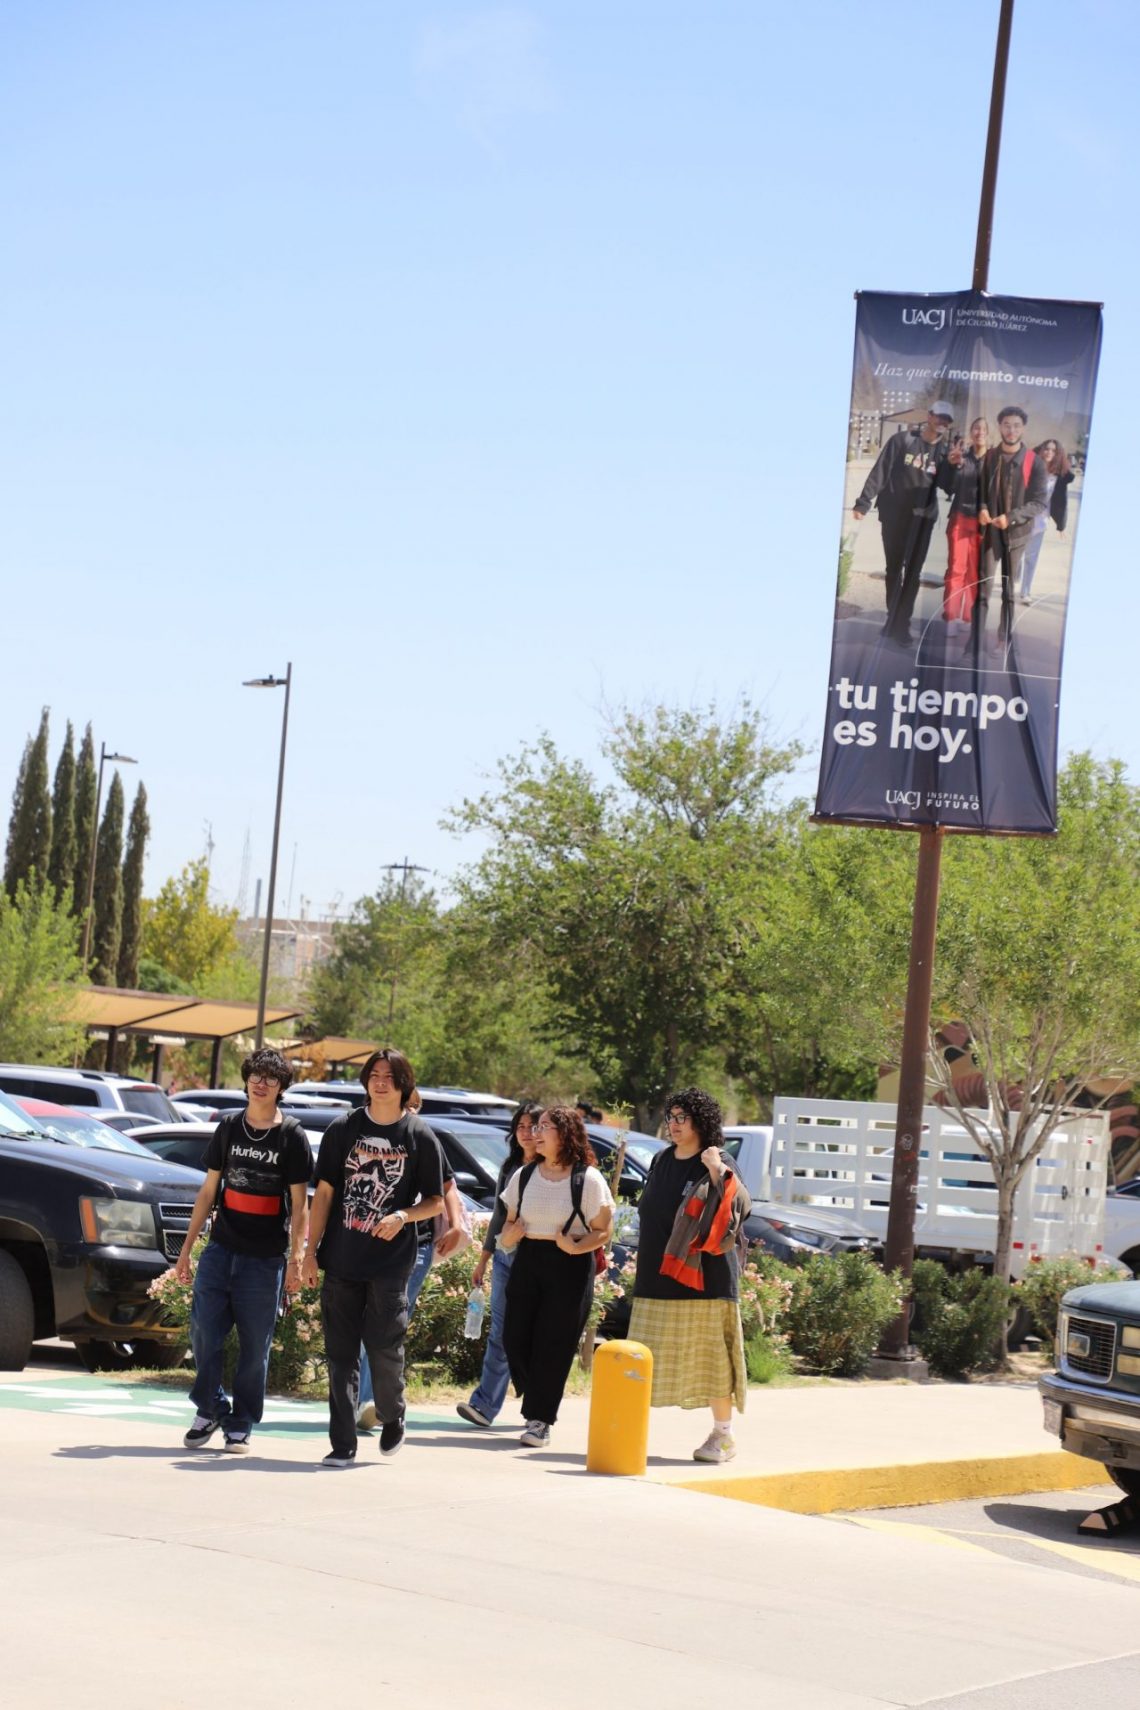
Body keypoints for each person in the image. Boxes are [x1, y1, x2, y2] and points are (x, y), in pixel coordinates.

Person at [302, 1047, 443, 1467]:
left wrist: (403, 1215)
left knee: (384, 1347)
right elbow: (324, 1194)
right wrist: (309, 1253)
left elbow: (435, 1201)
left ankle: (392, 1413)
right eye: (374, 1075)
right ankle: (342, 1443)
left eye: (389, 1076)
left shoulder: (418, 1135)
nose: (381, 1082)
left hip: (390, 1264)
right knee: (340, 1355)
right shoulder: (343, 1129)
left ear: (403, 1084)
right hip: (341, 1259)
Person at [176, 1047, 311, 1454]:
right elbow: (208, 1191)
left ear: (281, 1087)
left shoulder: (291, 1135)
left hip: (264, 1260)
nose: (261, 1083)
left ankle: (241, 1423)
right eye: (255, 1076)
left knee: (255, 1347)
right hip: (220, 1251)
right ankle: (211, 1408)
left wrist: (296, 1258)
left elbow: (300, 1204)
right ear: (247, 1080)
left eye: (271, 1078)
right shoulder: (229, 1127)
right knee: (203, 1332)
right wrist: (186, 1250)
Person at [627, 1087, 751, 1466]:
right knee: (641, 1357)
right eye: (671, 1117)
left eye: (683, 1117)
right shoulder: (661, 1159)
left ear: (701, 1121)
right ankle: (625, 1430)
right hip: (656, 1275)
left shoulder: (718, 1159)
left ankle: (723, 1436)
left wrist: (716, 1170)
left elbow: (741, 1206)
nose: (674, 1124)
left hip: (705, 1280)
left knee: (710, 1360)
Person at [499, 1105, 614, 1449]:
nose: (535, 1133)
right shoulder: (524, 1175)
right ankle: (538, 1394)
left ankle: (540, 1419)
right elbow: (509, 1223)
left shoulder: (588, 1179)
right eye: (536, 1127)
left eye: (544, 1127)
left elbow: (603, 1231)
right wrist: (508, 1237)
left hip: (570, 1264)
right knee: (514, 1337)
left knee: (555, 1345)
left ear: (564, 1134)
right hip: (528, 1259)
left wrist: (575, 1247)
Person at [356, 1090, 468, 1431]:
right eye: (408, 1105)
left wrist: (457, 1226)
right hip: (363, 1242)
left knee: (388, 1324)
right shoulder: (359, 1133)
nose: (411, 1111)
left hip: (413, 1247)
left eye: (415, 1106)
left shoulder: (424, 1139)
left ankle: (370, 1402)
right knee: (362, 1321)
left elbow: (447, 1186)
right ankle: (362, 1399)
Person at [455, 1100, 541, 1429]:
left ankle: (537, 1408)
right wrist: (484, 1259)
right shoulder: (510, 1166)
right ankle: (484, 1405)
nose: (526, 1133)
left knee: (534, 1336)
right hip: (506, 1258)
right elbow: (498, 1218)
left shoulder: (553, 1168)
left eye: (533, 1126)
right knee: (500, 1334)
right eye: (520, 1127)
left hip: (539, 1262)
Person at [852, 403, 957, 645]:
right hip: (893, 514)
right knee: (893, 569)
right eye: (939, 417)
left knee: (912, 573)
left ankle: (902, 624)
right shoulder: (903, 440)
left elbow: (948, 486)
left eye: (947, 420)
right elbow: (881, 470)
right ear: (929, 416)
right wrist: (863, 502)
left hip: (922, 519)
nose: (942, 422)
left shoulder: (944, 452)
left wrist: (952, 466)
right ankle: (893, 618)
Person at [974, 405, 1049, 651]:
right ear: (999, 427)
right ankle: (974, 642)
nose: (1011, 430)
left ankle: (1002, 639)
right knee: (983, 589)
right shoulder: (990, 456)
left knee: (1008, 592)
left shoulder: (1035, 462)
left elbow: (1039, 502)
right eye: (1007, 425)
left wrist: (1011, 517)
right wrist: (982, 508)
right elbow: (980, 490)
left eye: (1016, 425)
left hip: (1016, 536)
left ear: (1023, 428)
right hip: (991, 534)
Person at [941, 417, 989, 627]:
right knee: (956, 568)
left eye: (984, 429)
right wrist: (951, 467)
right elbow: (948, 488)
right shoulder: (962, 458)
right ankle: (951, 617)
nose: (980, 432)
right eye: (976, 428)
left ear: (989, 434)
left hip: (983, 523)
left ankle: (969, 618)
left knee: (975, 572)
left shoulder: (994, 461)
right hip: (960, 518)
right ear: (971, 432)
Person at [1019, 438, 1073, 602]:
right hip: (1023, 517)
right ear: (1041, 450)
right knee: (1017, 553)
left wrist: (1061, 525)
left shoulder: (1059, 477)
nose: (1049, 452)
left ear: (1058, 454)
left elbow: (1061, 502)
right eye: (1047, 449)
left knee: (1031, 557)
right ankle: (1014, 577)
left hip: (1041, 521)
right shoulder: (1031, 468)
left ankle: (1025, 592)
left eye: (1053, 450)